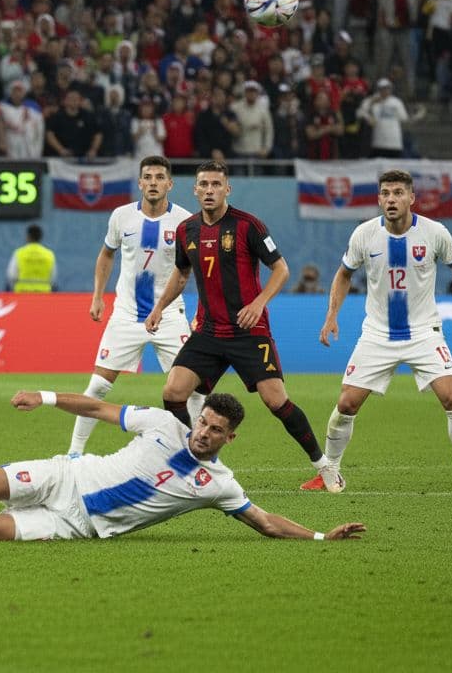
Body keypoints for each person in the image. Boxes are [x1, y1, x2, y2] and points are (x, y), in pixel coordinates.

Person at [0, 390, 367, 543]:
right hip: (69, 475)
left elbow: (266, 522)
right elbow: (101, 408)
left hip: (75, 524)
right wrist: (47, 395)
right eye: (203, 423)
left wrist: (320, 535)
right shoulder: (160, 422)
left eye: (215, 431)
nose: (203, 433)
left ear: (230, 438)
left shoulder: (218, 484)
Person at [145, 161, 343, 490]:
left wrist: (259, 302)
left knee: (276, 402)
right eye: (204, 185)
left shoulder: (248, 226)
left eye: (216, 185)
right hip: (209, 331)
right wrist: (159, 308)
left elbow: (280, 269)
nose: (209, 190)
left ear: (227, 189)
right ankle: (192, 462)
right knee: (173, 392)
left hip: (249, 332)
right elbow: (181, 274)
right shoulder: (186, 230)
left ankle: (323, 466)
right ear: (194, 190)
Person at [307, 170, 452, 494]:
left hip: (424, 333)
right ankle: (328, 473)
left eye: (398, 193)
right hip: (377, 334)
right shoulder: (364, 234)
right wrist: (331, 316)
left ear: (411, 198)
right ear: (378, 199)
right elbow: (343, 274)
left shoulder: (434, 232)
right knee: (346, 404)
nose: (391, 199)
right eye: (386, 193)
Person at [71, 156, 201, 455]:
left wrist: (201, 312)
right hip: (127, 315)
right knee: (98, 388)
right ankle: (75, 453)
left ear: (169, 183)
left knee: (192, 388)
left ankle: (195, 453)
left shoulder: (185, 221)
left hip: (169, 316)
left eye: (159, 177)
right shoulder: (121, 216)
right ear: (140, 183)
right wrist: (97, 295)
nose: (153, 182)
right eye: (148, 177)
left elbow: (194, 269)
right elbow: (106, 254)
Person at [6, 224, 57, 293]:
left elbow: (11, 275)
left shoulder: (19, 253)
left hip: (22, 293)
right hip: (44, 294)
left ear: (28, 236)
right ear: (40, 237)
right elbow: (53, 278)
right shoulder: (49, 254)